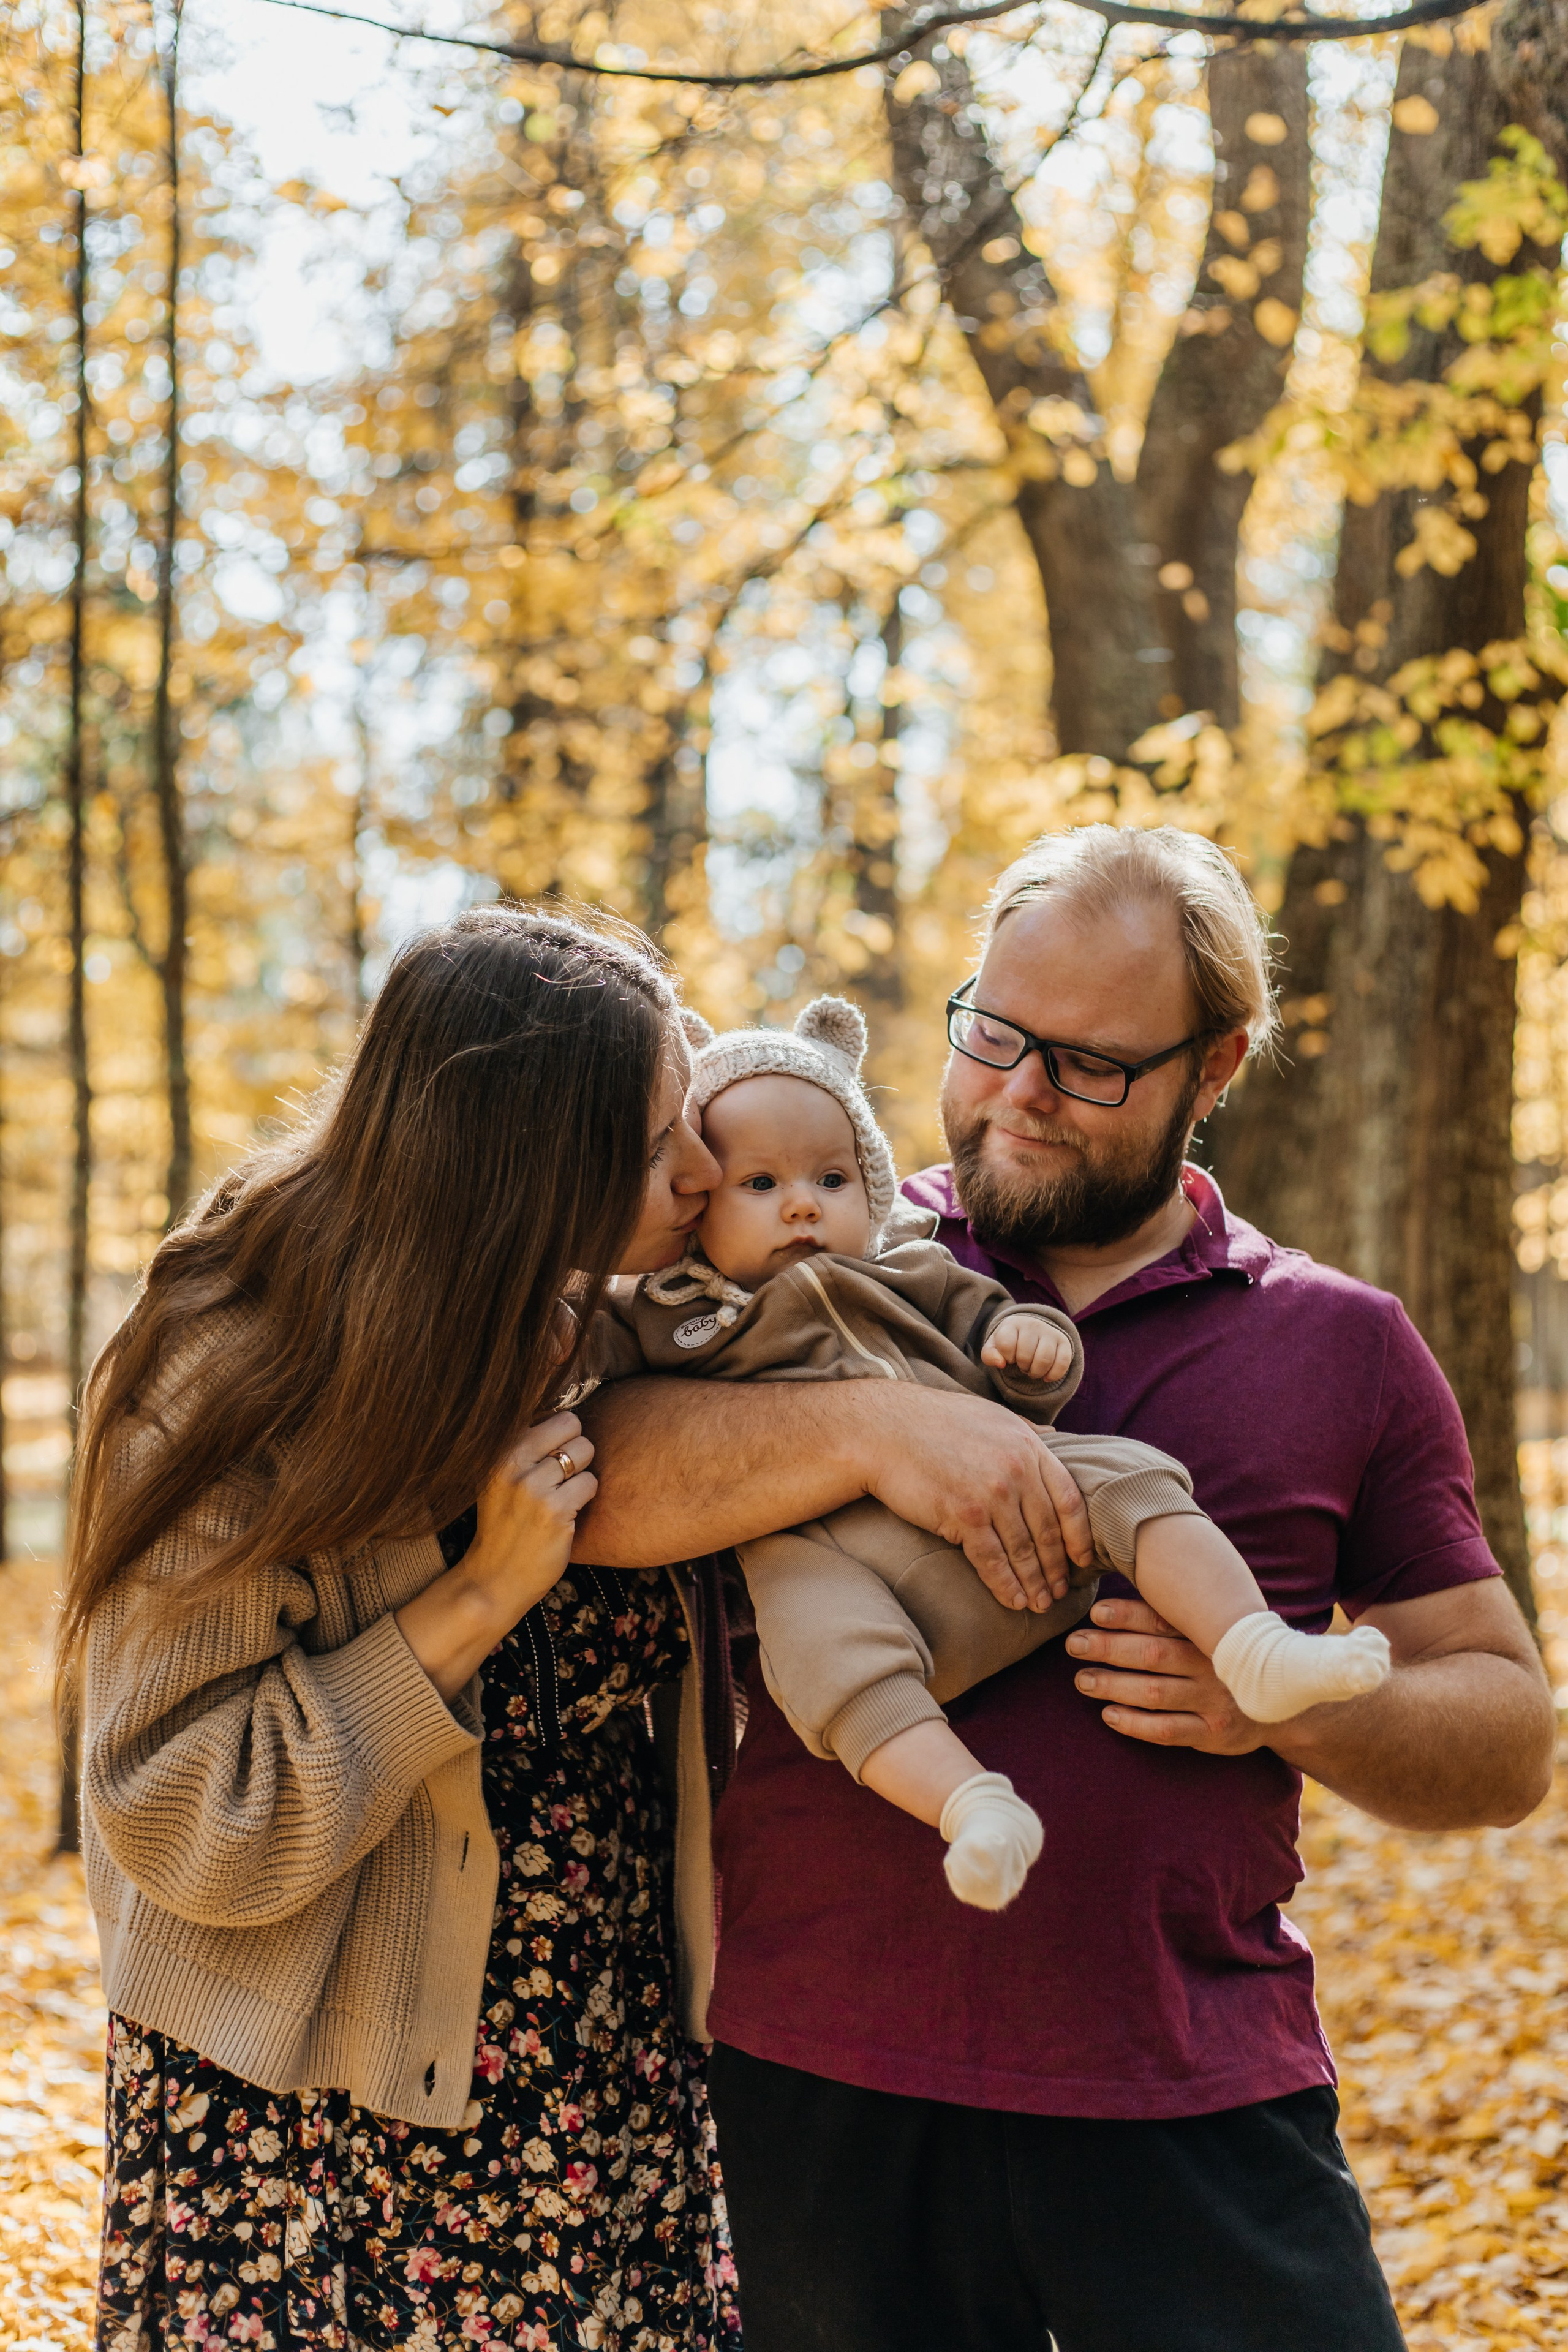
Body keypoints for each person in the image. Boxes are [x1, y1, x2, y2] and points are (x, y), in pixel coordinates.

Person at [575, 825, 1557, 2352]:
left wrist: (1277, 1711)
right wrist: (877, 1430)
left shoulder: (1337, 1343)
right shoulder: (812, 1241)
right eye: (991, 1033)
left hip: (1191, 2092)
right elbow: (590, 1485)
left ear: (1212, 1068)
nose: (1016, 1094)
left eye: (1087, 1064)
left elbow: (1503, 1739)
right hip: (821, 2098)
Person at [70, 908, 743, 2352]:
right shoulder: (235, 1364)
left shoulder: (596, 1314)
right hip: (313, 2120)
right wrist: (477, 1598)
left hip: (596, 2071)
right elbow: (181, 1811)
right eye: (650, 1149)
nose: (701, 1172)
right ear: (516, 1172)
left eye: (690, 1117)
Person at [592, 993, 1390, 1912]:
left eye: (832, 1179)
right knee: (819, 1650)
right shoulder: (670, 1314)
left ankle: (1252, 1645)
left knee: (1128, 1473)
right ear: (696, 1204)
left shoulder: (916, 1266)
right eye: (760, 1184)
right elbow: (587, 1405)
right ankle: (971, 1807)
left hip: (1031, 1510)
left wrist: (1033, 1348)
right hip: (826, 1558)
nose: (803, 1204)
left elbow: (998, 1341)